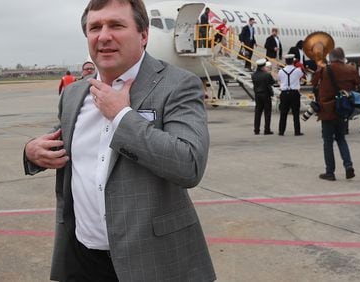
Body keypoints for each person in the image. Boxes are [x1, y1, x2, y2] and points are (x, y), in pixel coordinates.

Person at [23, 0, 216, 281]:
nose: (103, 36)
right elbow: (58, 142)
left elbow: (189, 165)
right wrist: (31, 152)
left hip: (154, 261)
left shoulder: (178, 85)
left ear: (143, 35)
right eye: (95, 27)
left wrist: (121, 117)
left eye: (116, 25)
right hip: (83, 259)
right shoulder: (74, 94)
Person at [311, 47, 360, 181]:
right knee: (341, 139)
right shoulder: (350, 69)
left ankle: (330, 172)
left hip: (327, 109)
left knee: (328, 142)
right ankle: (348, 165)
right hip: (343, 108)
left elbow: (313, 82)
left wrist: (319, 67)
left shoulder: (325, 69)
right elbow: (358, 82)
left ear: (330, 57)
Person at [278, 54, 304, 136]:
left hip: (284, 93)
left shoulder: (281, 71)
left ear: (285, 61)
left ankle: (281, 131)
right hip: (294, 92)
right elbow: (301, 76)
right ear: (293, 61)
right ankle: (297, 131)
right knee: (296, 112)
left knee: (283, 113)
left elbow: (279, 79)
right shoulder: (297, 70)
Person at [252, 59, 275, 135]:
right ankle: (267, 129)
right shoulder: (267, 75)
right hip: (266, 95)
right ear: (263, 67)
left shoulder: (253, 75)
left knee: (258, 112)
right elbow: (272, 82)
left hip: (257, 95)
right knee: (267, 113)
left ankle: (256, 129)